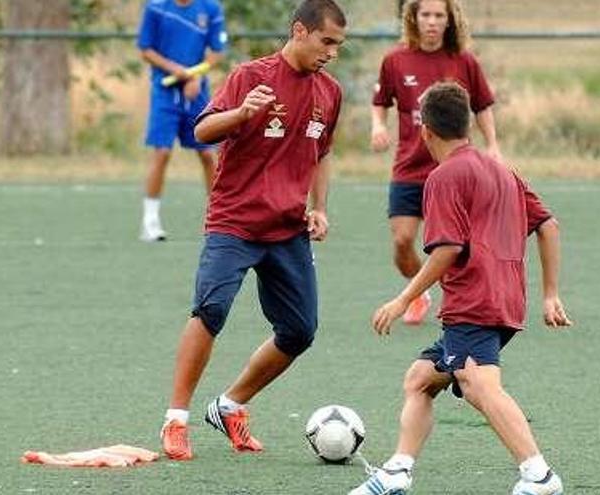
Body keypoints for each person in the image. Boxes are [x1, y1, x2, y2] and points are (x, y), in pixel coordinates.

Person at [350, 82, 571, 495]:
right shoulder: (501, 169)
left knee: (480, 386)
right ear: (467, 124)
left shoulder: (444, 176)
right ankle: (398, 471)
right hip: (505, 299)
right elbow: (549, 225)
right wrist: (551, 293)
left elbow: (448, 249)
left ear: (424, 131)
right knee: (420, 379)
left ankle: (539, 475)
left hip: (474, 300)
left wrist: (404, 299)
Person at [158, 0, 347, 460]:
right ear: (299, 31)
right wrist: (241, 113)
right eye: (326, 42)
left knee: (300, 331)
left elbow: (321, 154)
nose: (332, 53)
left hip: (287, 229)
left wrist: (318, 207)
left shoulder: (331, 92)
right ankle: (176, 419)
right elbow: (203, 131)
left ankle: (229, 405)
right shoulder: (250, 76)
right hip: (235, 221)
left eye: (339, 46)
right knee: (210, 310)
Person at [371, 0, 501, 325]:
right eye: (425, 15)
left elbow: (482, 106)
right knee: (402, 241)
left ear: (449, 20)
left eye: (438, 15)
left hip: (455, 170)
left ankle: (473, 303)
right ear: (413, 19)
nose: (431, 21)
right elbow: (380, 103)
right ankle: (419, 291)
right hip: (409, 169)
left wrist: (494, 146)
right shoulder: (395, 60)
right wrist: (378, 126)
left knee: (462, 247)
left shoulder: (464, 62)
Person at [137, 0, 228, 242]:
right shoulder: (156, 7)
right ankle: (150, 222)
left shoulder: (210, 9)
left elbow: (217, 52)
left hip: (197, 92)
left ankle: (218, 220)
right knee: (162, 153)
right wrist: (174, 69)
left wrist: (195, 76)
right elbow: (145, 49)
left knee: (208, 155)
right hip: (164, 92)